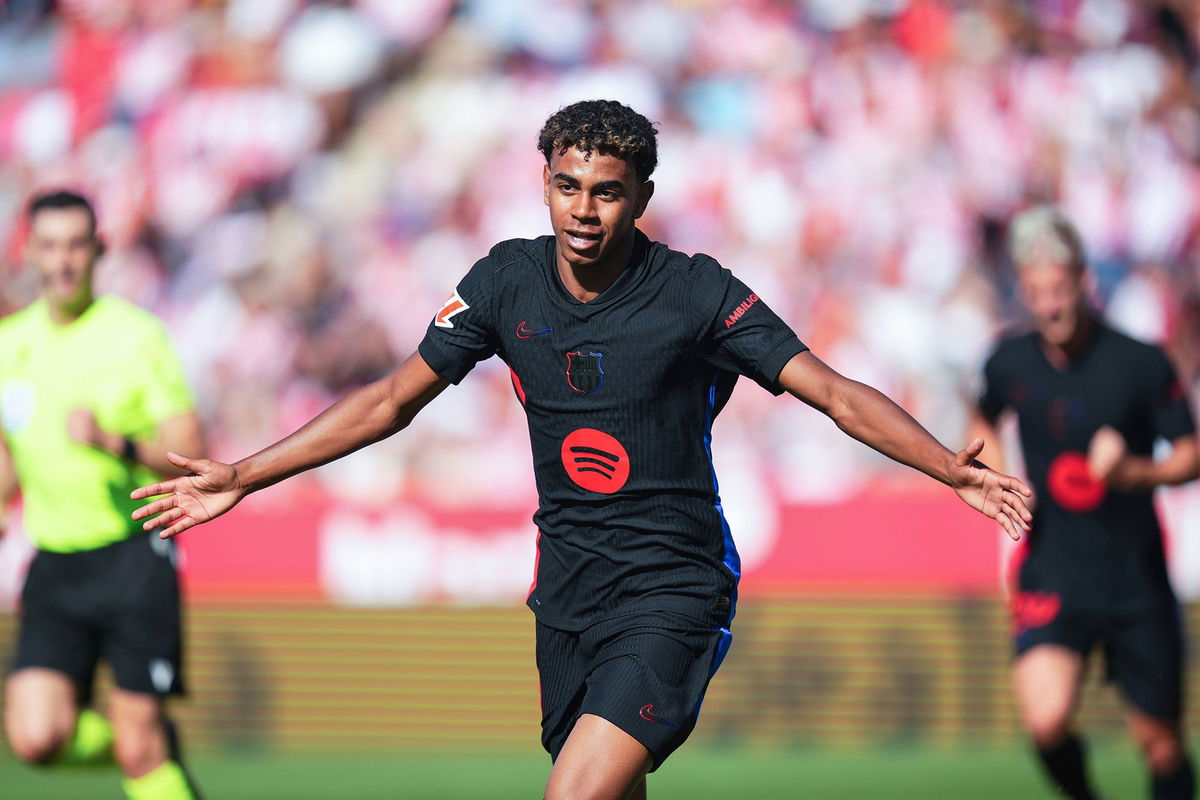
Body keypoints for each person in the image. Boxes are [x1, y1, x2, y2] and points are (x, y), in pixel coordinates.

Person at [131, 100, 1031, 800]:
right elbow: (389, 400)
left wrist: (945, 463)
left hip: (672, 586)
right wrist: (245, 473)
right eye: (568, 185)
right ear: (545, 184)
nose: (585, 209)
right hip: (567, 592)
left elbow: (830, 389)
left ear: (641, 196)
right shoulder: (501, 282)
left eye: (606, 190)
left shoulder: (696, 292)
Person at [974, 206, 1199, 800]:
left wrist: (1133, 471)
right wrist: (995, 474)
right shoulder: (1009, 361)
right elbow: (984, 414)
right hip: (1054, 567)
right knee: (1045, 719)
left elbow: (1189, 455)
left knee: (1161, 744)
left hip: (1134, 575)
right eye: (1037, 291)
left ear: (1083, 282)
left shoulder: (1140, 362)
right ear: (1023, 289)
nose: (1050, 305)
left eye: (1060, 289)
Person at [1, 190, 206, 800]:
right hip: (56, 562)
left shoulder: (136, 337)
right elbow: (9, 458)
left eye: (75, 245)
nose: (63, 261)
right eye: (50, 246)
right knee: (35, 737)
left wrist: (114, 442)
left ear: (98, 250)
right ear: (30, 252)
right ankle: (142, 745)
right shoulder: (9, 344)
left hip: (132, 558)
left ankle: (145, 750)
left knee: (139, 749)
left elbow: (190, 449)